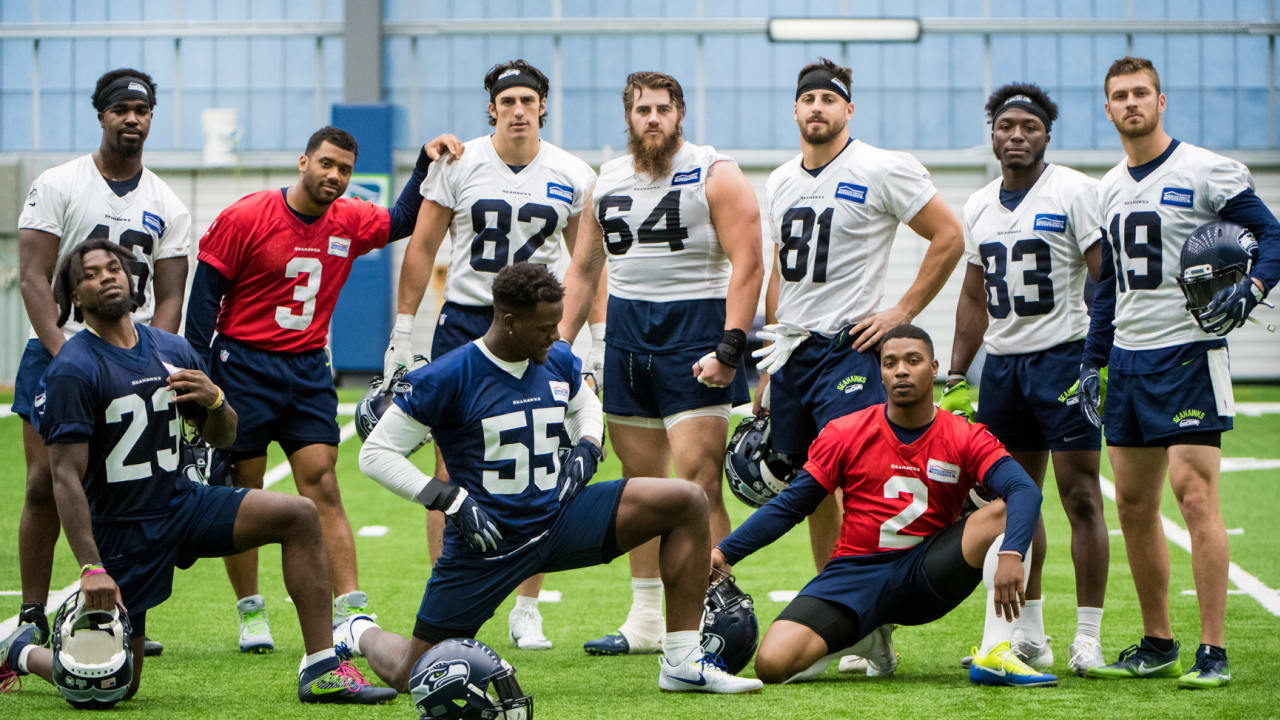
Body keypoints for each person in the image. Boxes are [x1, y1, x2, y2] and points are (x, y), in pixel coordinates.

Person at [0, 240, 396, 705]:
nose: (106, 277)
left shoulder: (171, 348)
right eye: (89, 275)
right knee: (113, 685)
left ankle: (322, 668)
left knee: (299, 514)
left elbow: (223, 438)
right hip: (124, 529)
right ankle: (20, 651)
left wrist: (216, 401)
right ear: (74, 297)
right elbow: (64, 478)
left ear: (133, 280)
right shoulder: (71, 367)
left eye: (113, 268)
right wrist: (91, 567)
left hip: (182, 502)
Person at [346, 262, 762, 695]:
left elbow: (585, 405)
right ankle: (358, 631)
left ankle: (681, 660)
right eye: (545, 326)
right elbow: (376, 454)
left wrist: (588, 444)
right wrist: (448, 499)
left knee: (686, 500)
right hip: (490, 542)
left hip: (560, 518)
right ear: (509, 322)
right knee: (411, 673)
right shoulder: (448, 375)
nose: (555, 334)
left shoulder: (557, 357)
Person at [183, 125, 462, 653]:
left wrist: (424, 163)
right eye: (327, 164)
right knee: (245, 486)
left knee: (323, 483)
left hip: (309, 368)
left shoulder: (350, 217)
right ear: (303, 161)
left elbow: (401, 220)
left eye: (345, 169)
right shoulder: (246, 216)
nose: (335, 176)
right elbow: (204, 299)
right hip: (243, 364)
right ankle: (251, 611)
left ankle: (351, 608)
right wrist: (200, 375)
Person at [380, 59, 602, 651]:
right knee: (450, 465)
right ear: (492, 108)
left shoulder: (574, 173)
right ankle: (447, 585)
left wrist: (595, 342)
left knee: (539, 461)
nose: (519, 110)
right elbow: (422, 247)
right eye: (508, 101)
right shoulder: (459, 162)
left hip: (536, 326)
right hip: (467, 319)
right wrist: (403, 333)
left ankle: (525, 604)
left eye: (529, 100)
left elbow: (587, 261)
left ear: (543, 107)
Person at [1078, 57, 1280, 689]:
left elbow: (1272, 236)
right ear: (1107, 109)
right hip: (1131, 361)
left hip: (1188, 352)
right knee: (1135, 505)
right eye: (1120, 96)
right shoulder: (1107, 186)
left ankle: (1213, 651)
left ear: (1161, 102)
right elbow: (1107, 286)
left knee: (1196, 499)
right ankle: (1158, 640)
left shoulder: (1205, 169)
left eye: (1141, 93)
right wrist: (1093, 357)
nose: (1131, 103)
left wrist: (1251, 288)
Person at [712, 324, 1053, 687]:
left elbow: (1024, 491)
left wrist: (1011, 554)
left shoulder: (963, 435)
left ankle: (994, 652)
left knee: (1003, 511)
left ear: (933, 368)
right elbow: (792, 505)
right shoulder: (846, 431)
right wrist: (725, 551)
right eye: (890, 363)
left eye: (913, 361)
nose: (901, 370)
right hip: (854, 573)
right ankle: (870, 637)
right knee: (773, 665)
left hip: (927, 572)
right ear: (881, 372)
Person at [557, 70, 764, 655]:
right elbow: (583, 269)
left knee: (698, 484)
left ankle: (711, 611)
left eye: (663, 109)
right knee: (640, 486)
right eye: (643, 109)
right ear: (629, 116)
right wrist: (560, 343)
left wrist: (731, 346)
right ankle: (647, 617)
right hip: (626, 337)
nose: (653, 118)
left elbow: (749, 263)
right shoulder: (609, 179)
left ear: (680, 114)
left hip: (694, 331)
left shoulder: (714, 171)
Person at [754, 57, 963, 575]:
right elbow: (781, 268)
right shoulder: (781, 179)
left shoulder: (880, 166)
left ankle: (871, 608)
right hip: (794, 353)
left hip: (847, 348)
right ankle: (832, 604)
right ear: (795, 109)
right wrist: (769, 362)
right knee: (811, 486)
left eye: (828, 99)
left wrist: (903, 310)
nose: (817, 107)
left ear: (849, 108)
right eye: (809, 99)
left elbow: (950, 236)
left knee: (859, 480)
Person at [12, 67, 190, 657]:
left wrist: (149, 364)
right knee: (45, 481)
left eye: (142, 110)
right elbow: (34, 278)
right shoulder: (60, 183)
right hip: (62, 353)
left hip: (133, 362)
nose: (132, 119)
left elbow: (169, 297)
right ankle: (32, 614)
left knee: (125, 489)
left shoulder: (166, 201)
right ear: (102, 115)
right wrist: (73, 357)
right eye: (121, 110)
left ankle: (126, 612)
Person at [942, 83, 1110, 676]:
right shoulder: (980, 203)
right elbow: (971, 292)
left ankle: (1087, 635)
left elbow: (1102, 276)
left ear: (1046, 135)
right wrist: (957, 371)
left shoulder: (1074, 190)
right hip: (1005, 368)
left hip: (1063, 359)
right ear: (992, 133)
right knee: (1016, 498)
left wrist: (1100, 354)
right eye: (1006, 126)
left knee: (1081, 494)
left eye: (1029, 127)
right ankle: (1028, 634)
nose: (1016, 136)